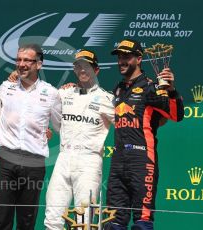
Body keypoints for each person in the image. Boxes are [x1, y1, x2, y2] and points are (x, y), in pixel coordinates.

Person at [104, 39, 184, 230]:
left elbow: (176, 115)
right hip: (118, 159)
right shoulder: (118, 88)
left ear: (139, 59)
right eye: (119, 57)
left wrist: (171, 90)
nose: (122, 61)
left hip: (142, 159)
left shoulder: (151, 87)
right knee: (113, 221)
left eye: (127, 57)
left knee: (142, 222)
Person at [0, 44, 61, 230]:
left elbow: (60, 125)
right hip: (6, 157)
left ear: (39, 64)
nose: (21, 64)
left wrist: (43, 134)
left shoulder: (51, 93)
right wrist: (8, 132)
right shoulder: (6, 87)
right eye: (18, 60)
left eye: (26, 60)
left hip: (34, 162)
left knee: (26, 221)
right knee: (0, 220)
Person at [44, 49, 115, 230]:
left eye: (87, 67)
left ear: (96, 70)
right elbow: (39, 102)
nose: (83, 70)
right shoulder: (63, 94)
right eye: (79, 66)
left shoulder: (107, 99)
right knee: (52, 218)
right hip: (64, 157)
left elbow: (126, 126)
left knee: (85, 222)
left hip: (89, 161)